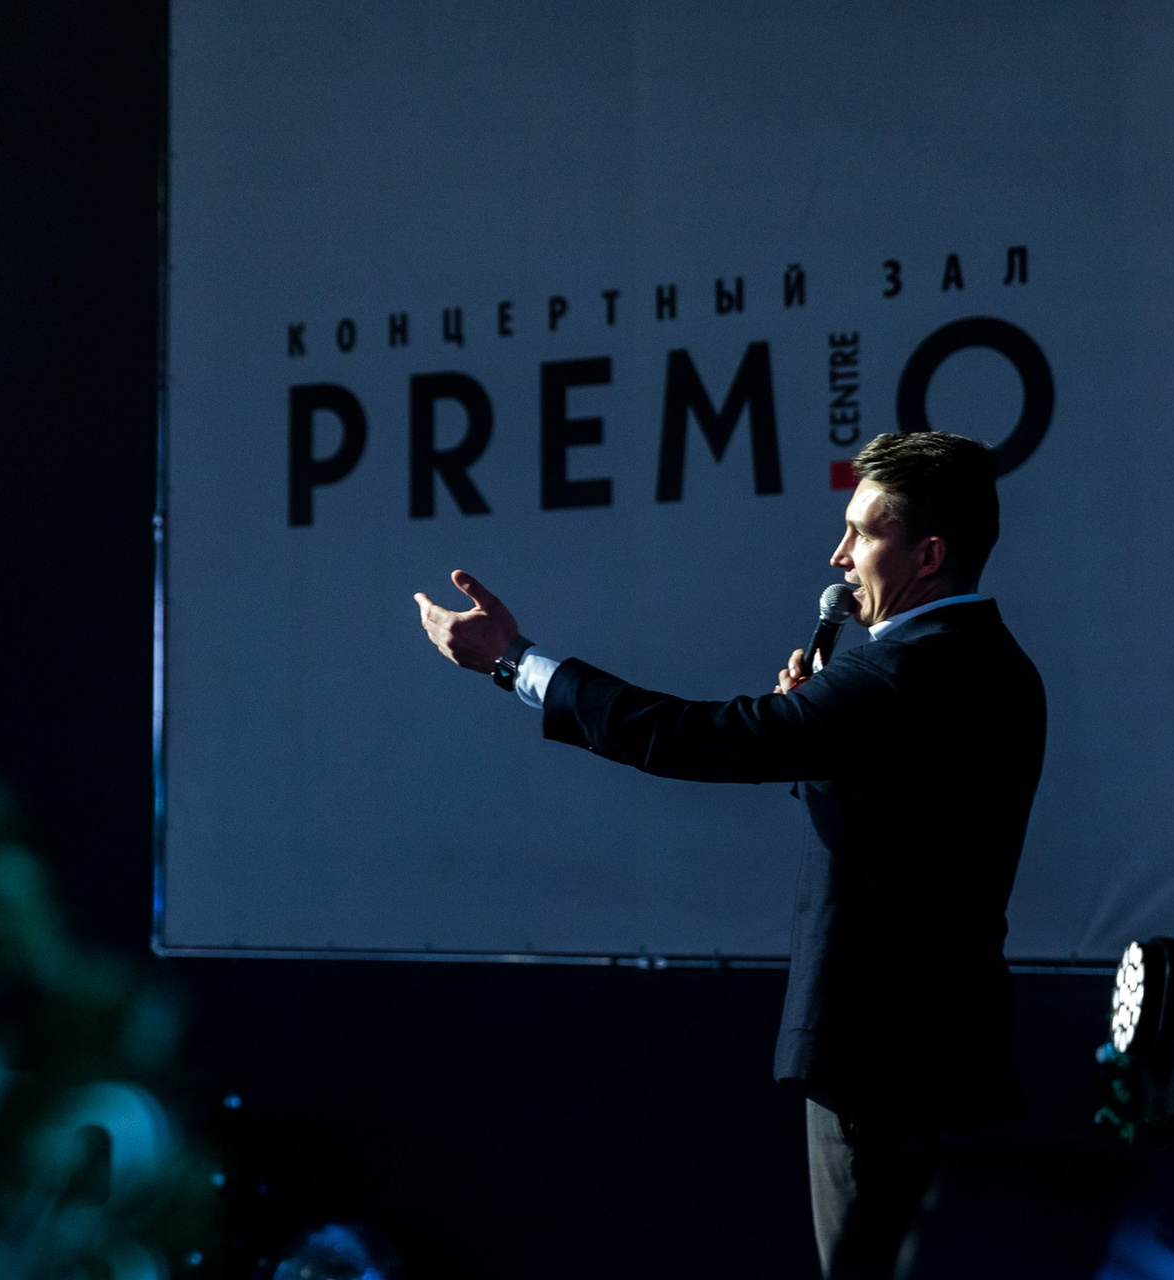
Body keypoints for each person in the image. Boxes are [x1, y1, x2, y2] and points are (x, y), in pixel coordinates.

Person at [413, 431, 1046, 1279]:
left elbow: (695, 737)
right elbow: (910, 822)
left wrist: (514, 663)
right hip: (958, 1053)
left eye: (861, 533)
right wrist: (818, 738)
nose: (838, 557)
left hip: (879, 1063)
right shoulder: (998, 664)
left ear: (928, 554)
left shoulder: (898, 674)